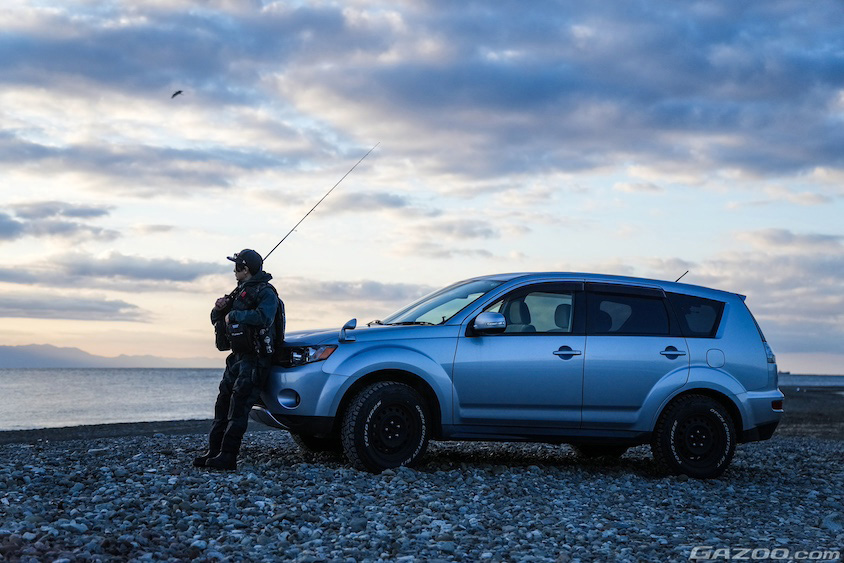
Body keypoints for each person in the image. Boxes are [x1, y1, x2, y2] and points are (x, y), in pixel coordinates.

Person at [193, 249, 279, 471]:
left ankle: (228, 456)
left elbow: (264, 317)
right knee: (223, 403)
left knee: (239, 405)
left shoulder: (267, 293)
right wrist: (218, 308)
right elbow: (217, 319)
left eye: (236, 267)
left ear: (246, 269)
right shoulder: (239, 292)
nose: (233, 271)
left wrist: (237, 315)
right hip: (237, 357)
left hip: (256, 358)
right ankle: (214, 451)